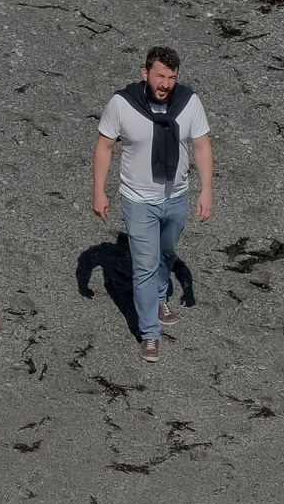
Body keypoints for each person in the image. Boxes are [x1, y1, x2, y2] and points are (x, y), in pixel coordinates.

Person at [92, 45, 214, 363]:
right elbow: (104, 146)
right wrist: (99, 192)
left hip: (177, 198)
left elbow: (202, 146)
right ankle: (149, 333)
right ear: (145, 73)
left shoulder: (189, 102)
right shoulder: (122, 104)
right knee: (145, 265)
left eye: (171, 78)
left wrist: (206, 191)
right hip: (138, 201)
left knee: (168, 254)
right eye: (160, 76)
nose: (165, 84)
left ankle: (161, 297)